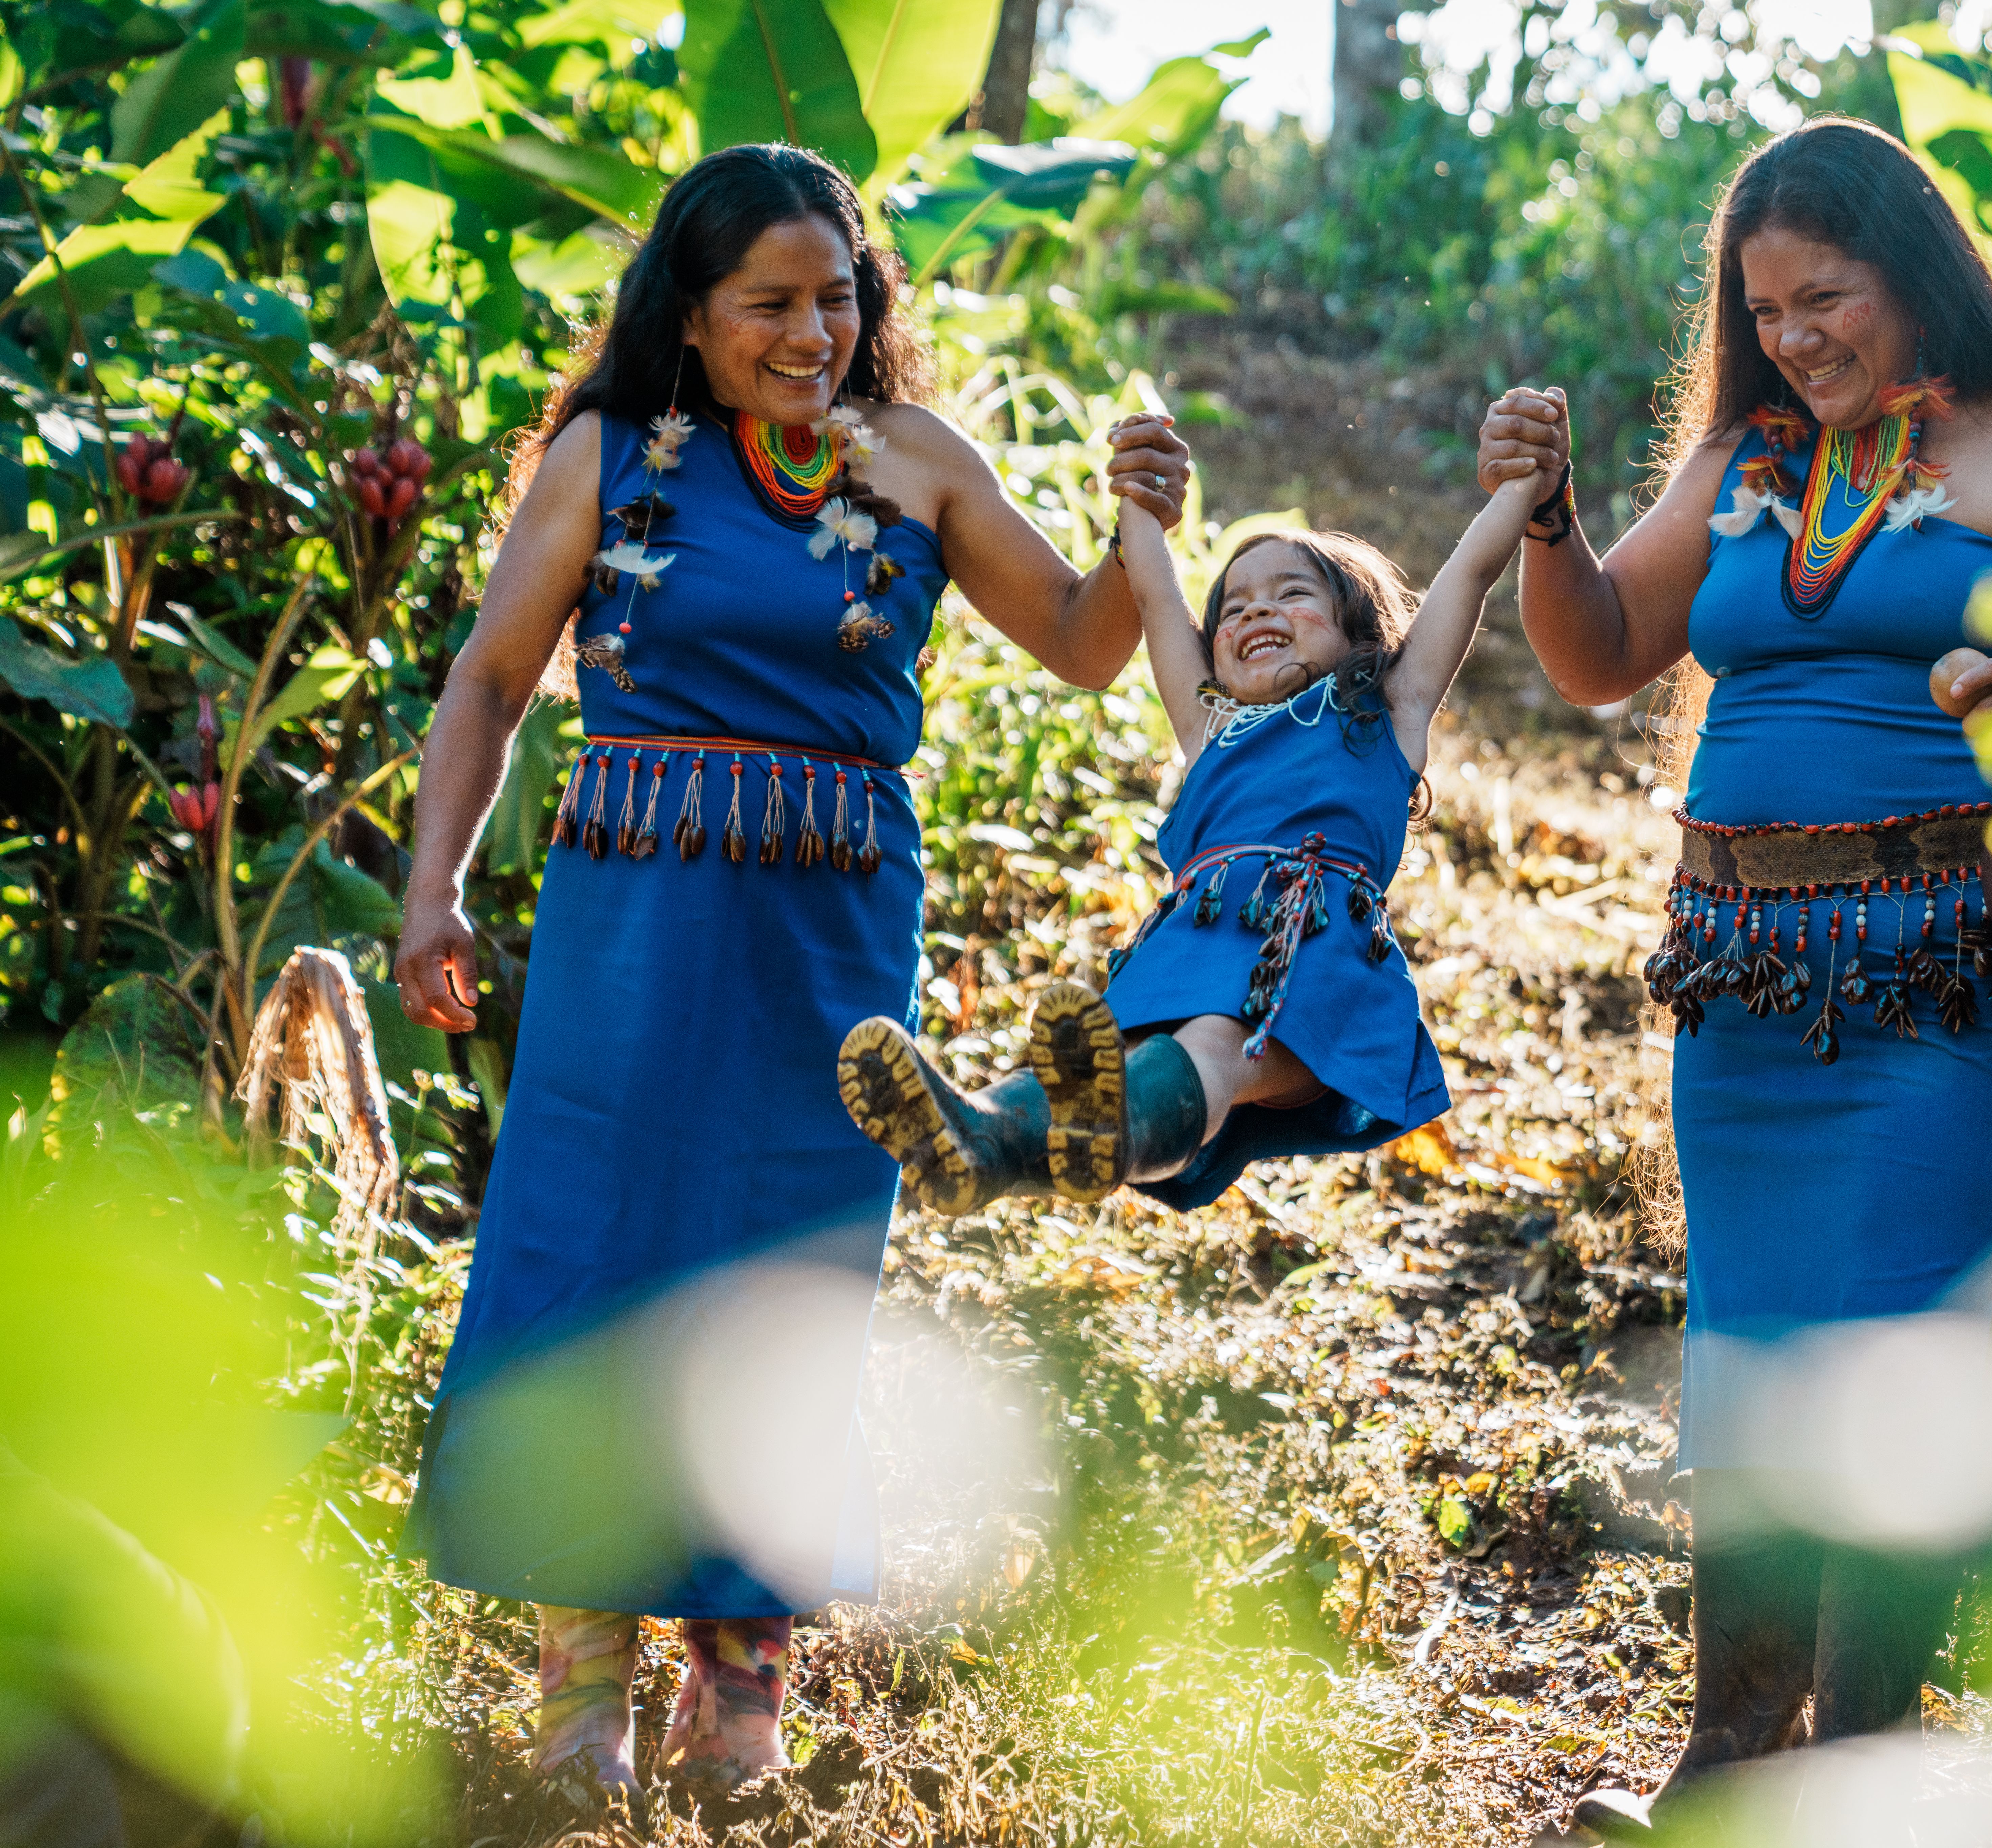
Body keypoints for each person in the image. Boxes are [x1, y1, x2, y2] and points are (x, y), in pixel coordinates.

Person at [388, 143, 1191, 1801]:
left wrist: (1139, 531)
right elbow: (490, 682)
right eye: (770, 304)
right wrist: (435, 888)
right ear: (689, 319)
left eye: (838, 295)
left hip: (831, 926)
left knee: (790, 1266)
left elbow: (1084, 641)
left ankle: (742, 1687)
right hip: (635, 915)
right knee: (599, 1248)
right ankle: (582, 1682)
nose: (813, 329)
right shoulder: (611, 458)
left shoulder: (917, 462)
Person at [1472, 118, 1992, 1835]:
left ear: (1914, 276)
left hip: (1947, 988)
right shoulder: (1750, 465)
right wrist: (1547, 521)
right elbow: (1602, 653)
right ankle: (1725, 1766)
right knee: (1754, 1367)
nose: (1793, 337)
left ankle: (1847, 1777)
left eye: (1824, 296)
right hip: (1748, 993)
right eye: (1763, 310)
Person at [835, 433, 1553, 1214]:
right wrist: (1141, 500)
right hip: (1191, 943)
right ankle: (981, 1143)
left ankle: (1110, 1135)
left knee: (1213, 1045)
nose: (1256, 613)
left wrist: (1524, 482)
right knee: (1102, 1064)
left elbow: (1471, 572)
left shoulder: (1386, 711)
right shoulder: (1212, 726)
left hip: (1307, 950)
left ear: (1359, 633)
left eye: (1290, 595)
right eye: (1234, 608)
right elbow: (1151, 591)